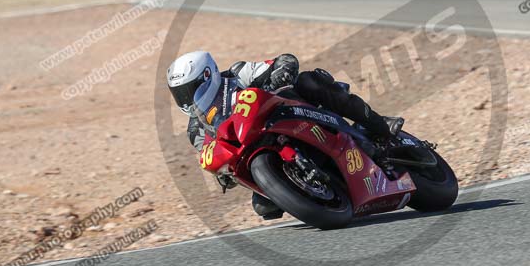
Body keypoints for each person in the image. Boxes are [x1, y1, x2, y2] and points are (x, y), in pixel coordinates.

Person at [166, 51, 403, 219]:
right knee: (265, 208)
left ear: (208, 76)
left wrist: (281, 70)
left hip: (291, 119)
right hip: (258, 152)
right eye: (180, 95)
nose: (186, 100)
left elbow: (284, 60)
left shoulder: (238, 75)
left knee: (309, 82)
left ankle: (379, 125)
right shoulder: (195, 129)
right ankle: (316, 193)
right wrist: (222, 174)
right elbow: (212, 152)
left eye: (189, 91)